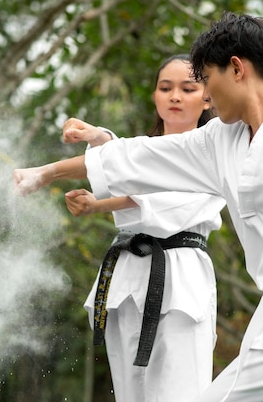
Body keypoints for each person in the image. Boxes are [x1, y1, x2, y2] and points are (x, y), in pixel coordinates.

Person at [14, 12, 263, 401]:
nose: (205, 95)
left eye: (206, 80)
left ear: (237, 68)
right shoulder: (219, 142)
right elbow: (137, 157)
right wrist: (47, 173)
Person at [59, 55, 226, 402]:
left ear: (207, 98)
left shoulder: (214, 151)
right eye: (166, 88)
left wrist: (98, 203)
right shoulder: (138, 151)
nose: (175, 96)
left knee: (182, 391)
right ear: (155, 96)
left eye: (188, 88)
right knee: (130, 392)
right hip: (129, 275)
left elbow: (160, 200)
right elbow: (122, 163)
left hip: (180, 275)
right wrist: (98, 137)